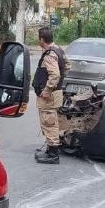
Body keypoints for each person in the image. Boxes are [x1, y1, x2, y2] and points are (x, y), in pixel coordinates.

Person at [32, 27, 68, 164]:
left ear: (42, 39)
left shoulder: (50, 54)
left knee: (49, 122)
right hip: (55, 94)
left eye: (39, 38)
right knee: (51, 121)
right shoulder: (59, 50)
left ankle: (53, 154)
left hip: (49, 96)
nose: (38, 40)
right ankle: (50, 149)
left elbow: (55, 74)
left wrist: (47, 90)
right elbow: (67, 66)